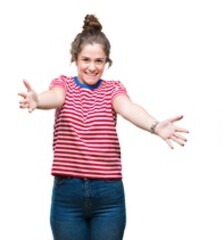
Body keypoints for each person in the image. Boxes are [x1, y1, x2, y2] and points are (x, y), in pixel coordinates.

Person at [16, 14, 190, 240]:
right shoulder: (63, 85)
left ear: (106, 62)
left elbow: (128, 108)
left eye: (99, 61)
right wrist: (38, 101)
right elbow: (55, 98)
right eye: (86, 60)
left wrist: (155, 126)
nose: (92, 67)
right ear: (75, 59)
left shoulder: (112, 89)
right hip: (68, 195)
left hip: (108, 196)